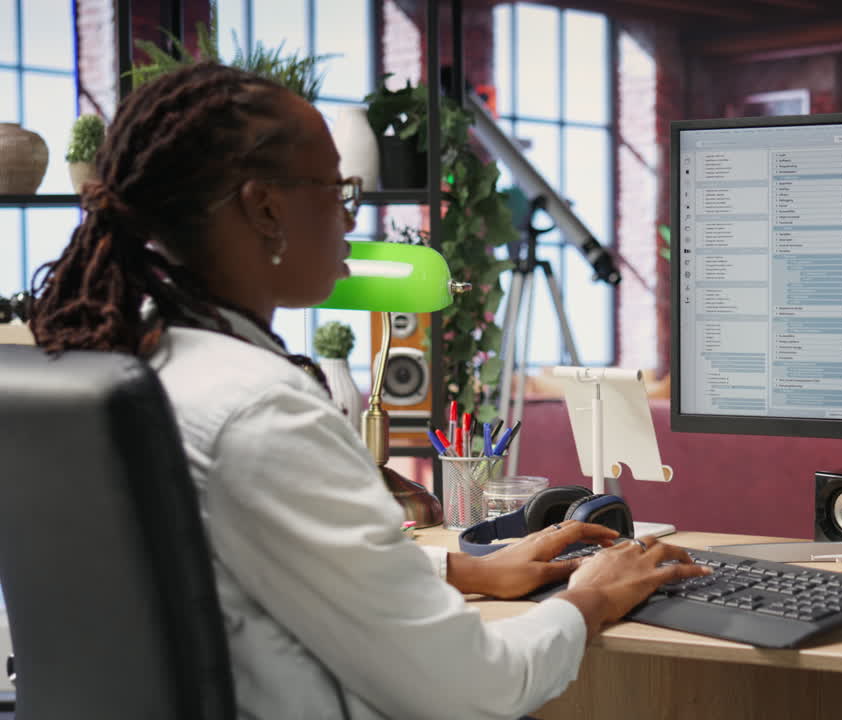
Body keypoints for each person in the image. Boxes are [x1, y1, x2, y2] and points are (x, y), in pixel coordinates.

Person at [28, 62, 709, 719]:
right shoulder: (261, 409)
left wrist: (465, 573)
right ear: (264, 208)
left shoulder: (136, 359)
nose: (352, 219)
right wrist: (590, 598)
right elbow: (474, 689)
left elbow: (241, 583)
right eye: (334, 190)